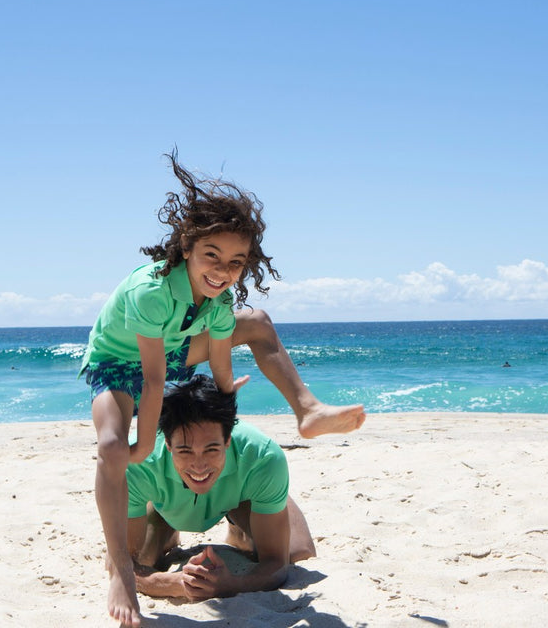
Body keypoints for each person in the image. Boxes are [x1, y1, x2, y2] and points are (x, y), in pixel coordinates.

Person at [80, 151, 364, 625]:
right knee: (112, 447)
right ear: (187, 247)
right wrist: (145, 442)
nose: (222, 269)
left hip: (170, 349)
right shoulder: (150, 291)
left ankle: (308, 409)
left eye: (235, 262)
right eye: (212, 255)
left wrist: (227, 396)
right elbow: (152, 381)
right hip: (117, 362)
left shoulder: (220, 298)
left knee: (255, 323)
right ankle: (122, 575)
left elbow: (217, 358)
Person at [125, 375, 316, 610]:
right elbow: (121, 566)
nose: (199, 465)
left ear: (227, 440)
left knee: (298, 552)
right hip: (164, 504)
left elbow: (276, 563)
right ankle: (167, 530)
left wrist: (232, 585)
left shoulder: (263, 457)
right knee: (142, 560)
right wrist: (173, 583)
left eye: (211, 449)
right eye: (184, 451)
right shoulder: (136, 461)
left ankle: (244, 527)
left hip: (238, 497)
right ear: (167, 443)